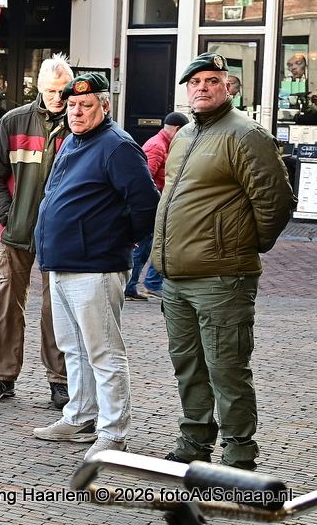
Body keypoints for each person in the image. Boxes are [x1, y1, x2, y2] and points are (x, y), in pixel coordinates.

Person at [152, 52, 295, 470]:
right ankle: (194, 441)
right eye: (195, 82)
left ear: (228, 86)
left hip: (220, 278)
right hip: (175, 278)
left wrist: (244, 249)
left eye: (212, 81)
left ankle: (238, 452)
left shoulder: (246, 134)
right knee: (189, 367)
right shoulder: (183, 136)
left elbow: (276, 200)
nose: (202, 88)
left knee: (227, 369)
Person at [32, 73, 159, 460]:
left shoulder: (117, 146)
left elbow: (145, 203)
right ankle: (80, 415)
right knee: (72, 347)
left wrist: (121, 241)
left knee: (103, 351)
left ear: (105, 106)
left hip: (96, 265)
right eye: (71, 105)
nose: (77, 111)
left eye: (86, 105)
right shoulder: (72, 140)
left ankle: (113, 430)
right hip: (61, 261)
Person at [0, 53, 73, 408]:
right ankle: (2, 376)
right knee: (7, 305)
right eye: (51, 91)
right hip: (15, 233)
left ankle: (59, 380)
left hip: (61, 236)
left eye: (63, 91)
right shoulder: (14, 122)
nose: (58, 99)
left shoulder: (81, 122)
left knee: (57, 309)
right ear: (39, 88)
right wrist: (9, 215)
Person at [125, 111, 188, 300]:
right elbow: (145, 178)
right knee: (143, 247)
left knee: (155, 245)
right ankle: (130, 286)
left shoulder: (165, 145)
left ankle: (150, 284)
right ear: (177, 129)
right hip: (152, 207)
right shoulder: (156, 146)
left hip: (159, 205)